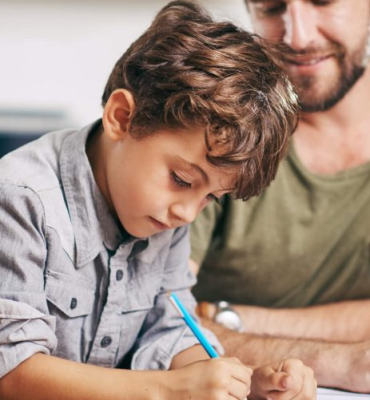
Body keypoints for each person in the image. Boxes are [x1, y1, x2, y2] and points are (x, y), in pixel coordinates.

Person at [0, 1, 318, 400]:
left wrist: (237, 383)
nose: (187, 213)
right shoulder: (21, 200)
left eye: (211, 199)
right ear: (121, 117)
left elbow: (169, 333)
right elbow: (11, 373)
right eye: (181, 179)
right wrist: (168, 390)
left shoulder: (161, 215)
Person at [190, 0, 370, 393]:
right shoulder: (217, 128)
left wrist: (235, 318)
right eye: (271, 7)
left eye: (323, 1)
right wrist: (336, 361)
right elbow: (150, 313)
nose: (298, 36)